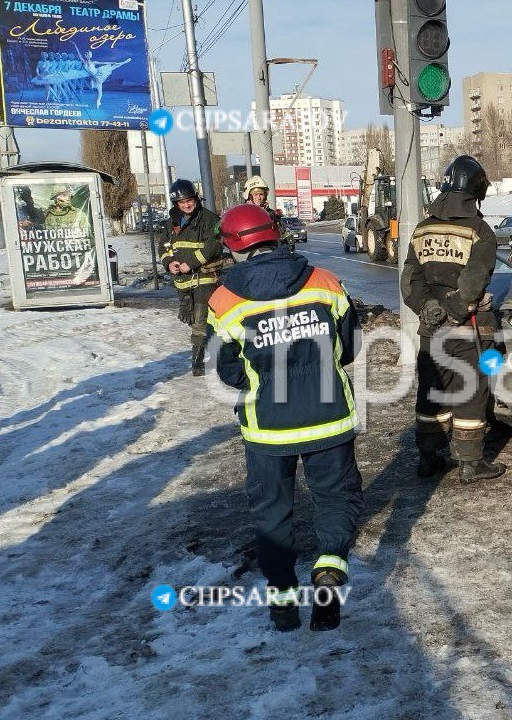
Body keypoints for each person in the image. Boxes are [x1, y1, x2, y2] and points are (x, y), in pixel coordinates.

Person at [206, 203, 363, 632]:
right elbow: (350, 346)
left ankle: (282, 604)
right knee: (335, 499)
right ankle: (329, 574)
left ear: (235, 247)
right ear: (274, 235)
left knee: (272, 513)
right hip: (329, 418)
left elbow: (226, 370)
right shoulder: (323, 281)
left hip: (267, 429)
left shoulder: (224, 300)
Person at [400, 155, 505, 483]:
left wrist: (427, 308)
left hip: (431, 330)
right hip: (466, 328)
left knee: (431, 389)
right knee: (470, 389)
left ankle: (428, 457)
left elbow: (409, 280)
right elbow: (473, 281)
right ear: (476, 190)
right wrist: (455, 310)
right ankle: (471, 462)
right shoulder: (480, 231)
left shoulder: (423, 228)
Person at [161, 179, 225, 376]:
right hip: (182, 282)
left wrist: (192, 262)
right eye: (182, 202)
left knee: (200, 320)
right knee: (195, 320)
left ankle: (197, 362)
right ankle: (212, 347)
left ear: (196, 198)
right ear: (176, 204)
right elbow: (164, 247)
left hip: (204, 278)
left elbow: (214, 245)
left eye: (189, 200)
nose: (186, 205)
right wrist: (168, 263)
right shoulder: (172, 222)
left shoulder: (209, 219)